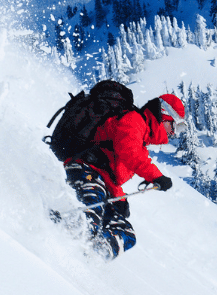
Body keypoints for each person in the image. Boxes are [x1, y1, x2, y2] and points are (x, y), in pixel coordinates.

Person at [64, 92, 186, 259]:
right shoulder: (134, 121)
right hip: (85, 169)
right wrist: (156, 176)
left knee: (125, 234)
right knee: (90, 217)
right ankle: (57, 234)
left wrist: (119, 198)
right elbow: (129, 152)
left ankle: (87, 260)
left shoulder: (141, 138)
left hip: (101, 180)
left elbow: (109, 171)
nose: (174, 133)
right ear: (164, 115)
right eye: (175, 126)